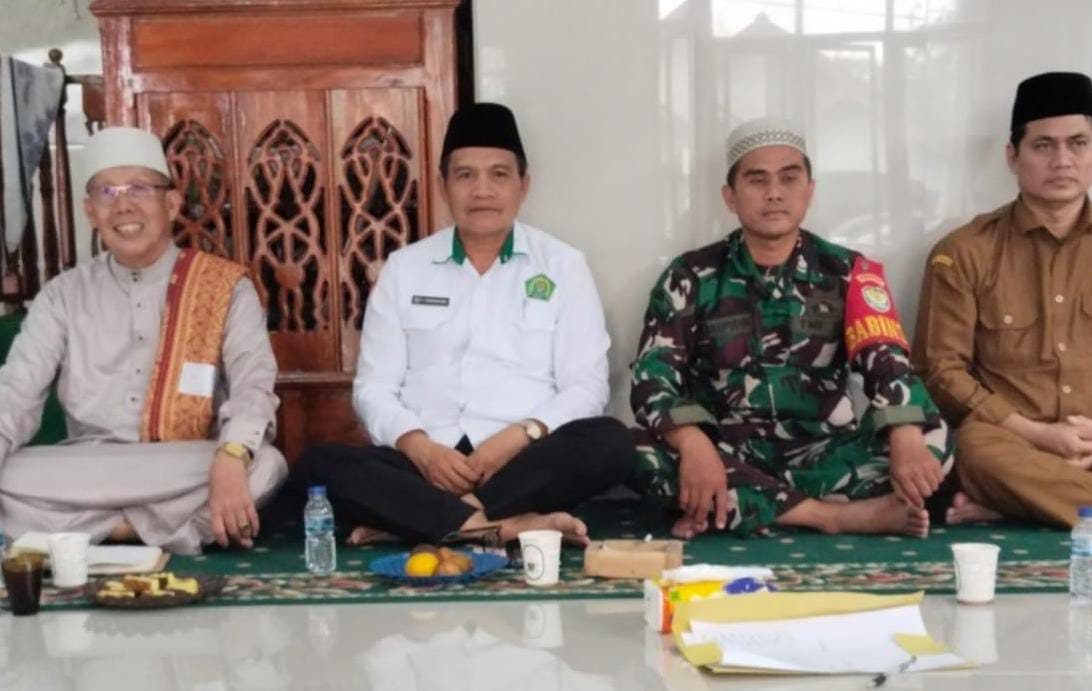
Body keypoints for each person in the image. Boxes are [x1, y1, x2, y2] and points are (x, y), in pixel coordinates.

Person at [290, 103, 633, 546]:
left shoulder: (564, 266)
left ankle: (422, 521)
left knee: (610, 443)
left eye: (499, 175)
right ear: (442, 186)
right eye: (465, 175)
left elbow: (586, 387)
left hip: (523, 461)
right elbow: (374, 387)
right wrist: (421, 448)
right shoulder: (404, 268)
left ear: (524, 186)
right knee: (318, 466)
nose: (482, 190)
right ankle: (503, 527)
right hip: (425, 463)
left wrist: (516, 437)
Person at [629, 118, 954, 540]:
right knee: (633, 450)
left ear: (809, 190)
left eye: (788, 178)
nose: (774, 193)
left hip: (822, 453)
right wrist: (694, 444)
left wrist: (905, 431)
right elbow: (652, 379)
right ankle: (829, 516)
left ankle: (743, 507)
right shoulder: (691, 274)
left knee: (934, 433)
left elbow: (887, 360)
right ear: (730, 196)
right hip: (724, 452)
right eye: (756, 180)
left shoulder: (849, 270)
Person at [913, 71, 1092, 532]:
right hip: (1014, 443)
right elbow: (940, 371)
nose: (1062, 160)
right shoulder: (963, 252)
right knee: (977, 451)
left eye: (1078, 143)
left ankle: (1022, 502)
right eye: (1043, 145)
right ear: (1012, 156)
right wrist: (1039, 435)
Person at [0, 126, 287, 554]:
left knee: (264, 465)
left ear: (171, 204)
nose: (123, 205)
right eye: (106, 192)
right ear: (90, 211)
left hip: (182, 463)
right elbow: (16, 391)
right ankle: (156, 529)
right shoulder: (63, 295)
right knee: (9, 474)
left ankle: (84, 532)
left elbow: (253, 383)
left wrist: (231, 455)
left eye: (139, 188)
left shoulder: (224, 287)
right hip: (87, 469)